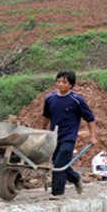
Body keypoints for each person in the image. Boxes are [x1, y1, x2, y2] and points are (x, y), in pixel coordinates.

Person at [42, 70, 97, 199]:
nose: (60, 84)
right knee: (58, 162)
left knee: (60, 163)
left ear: (71, 85)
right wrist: (42, 131)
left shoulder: (76, 100)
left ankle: (58, 192)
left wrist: (92, 136)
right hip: (54, 136)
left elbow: (90, 118)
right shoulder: (50, 98)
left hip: (69, 137)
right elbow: (46, 116)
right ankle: (75, 177)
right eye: (59, 81)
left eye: (64, 82)